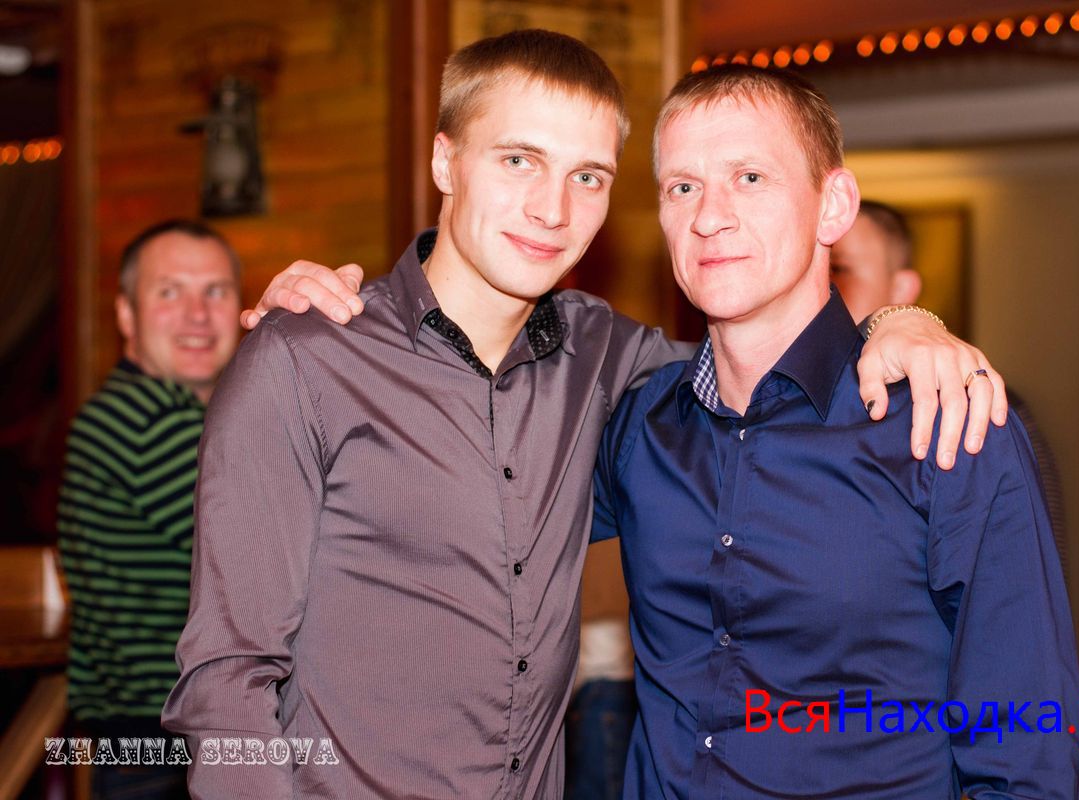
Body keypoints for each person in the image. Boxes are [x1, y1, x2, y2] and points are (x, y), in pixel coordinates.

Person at [164, 31, 1006, 799]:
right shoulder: (307, 359)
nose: (553, 209)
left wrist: (903, 321)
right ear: (447, 161)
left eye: (588, 177)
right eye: (519, 161)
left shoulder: (605, 357)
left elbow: (774, 359)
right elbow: (225, 682)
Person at [591, 65, 1079, 798]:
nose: (709, 216)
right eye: (683, 187)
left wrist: (901, 317)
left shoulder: (945, 426)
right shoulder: (641, 427)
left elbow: (1027, 748)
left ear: (833, 207)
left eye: (750, 178)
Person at [57, 220, 241, 799]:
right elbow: (265, 551)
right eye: (169, 292)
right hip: (165, 751)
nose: (197, 315)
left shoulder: (174, 418)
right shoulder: (145, 420)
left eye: (215, 291)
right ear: (126, 315)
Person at [832, 199, 1069, 574]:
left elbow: (1033, 566)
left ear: (902, 287)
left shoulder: (979, 402)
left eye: (839, 269)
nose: (824, 287)